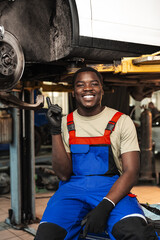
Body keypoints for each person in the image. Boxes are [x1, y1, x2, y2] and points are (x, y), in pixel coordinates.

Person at [35, 67, 158, 240]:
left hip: (113, 188)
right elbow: (63, 174)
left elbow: (131, 171)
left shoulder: (121, 121)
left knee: (137, 234)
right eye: (80, 84)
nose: (87, 88)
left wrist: (105, 206)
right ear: (73, 92)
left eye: (94, 84)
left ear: (101, 89)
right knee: (46, 237)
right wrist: (55, 130)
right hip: (72, 190)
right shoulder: (65, 123)